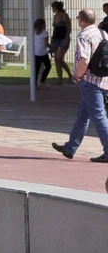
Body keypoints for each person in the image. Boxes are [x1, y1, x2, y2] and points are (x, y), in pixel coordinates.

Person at [52, 9, 108, 162]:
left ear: (81, 20)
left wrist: (78, 75)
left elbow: (84, 59)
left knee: (98, 116)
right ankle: (70, 148)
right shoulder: (103, 34)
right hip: (103, 79)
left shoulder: (84, 35)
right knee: (83, 115)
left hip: (89, 81)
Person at [50, 1, 73, 85]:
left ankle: (70, 75)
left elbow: (69, 28)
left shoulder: (64, 16)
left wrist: (66, 38)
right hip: (55, 39)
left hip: (63, 39)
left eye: (53, 7)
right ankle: (60, 79)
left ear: (56, 8)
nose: (52, 9)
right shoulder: (55, 16)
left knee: (60, 58)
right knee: (56, 59)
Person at [33, 18, 51, 89]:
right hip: (43, 53)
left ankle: (34, 84)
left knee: (36, 69)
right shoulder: (44, 33)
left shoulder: (34, 33)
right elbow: (46, 43)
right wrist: (52, 47)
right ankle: (42, 81)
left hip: (36, 52)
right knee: (48, 66)